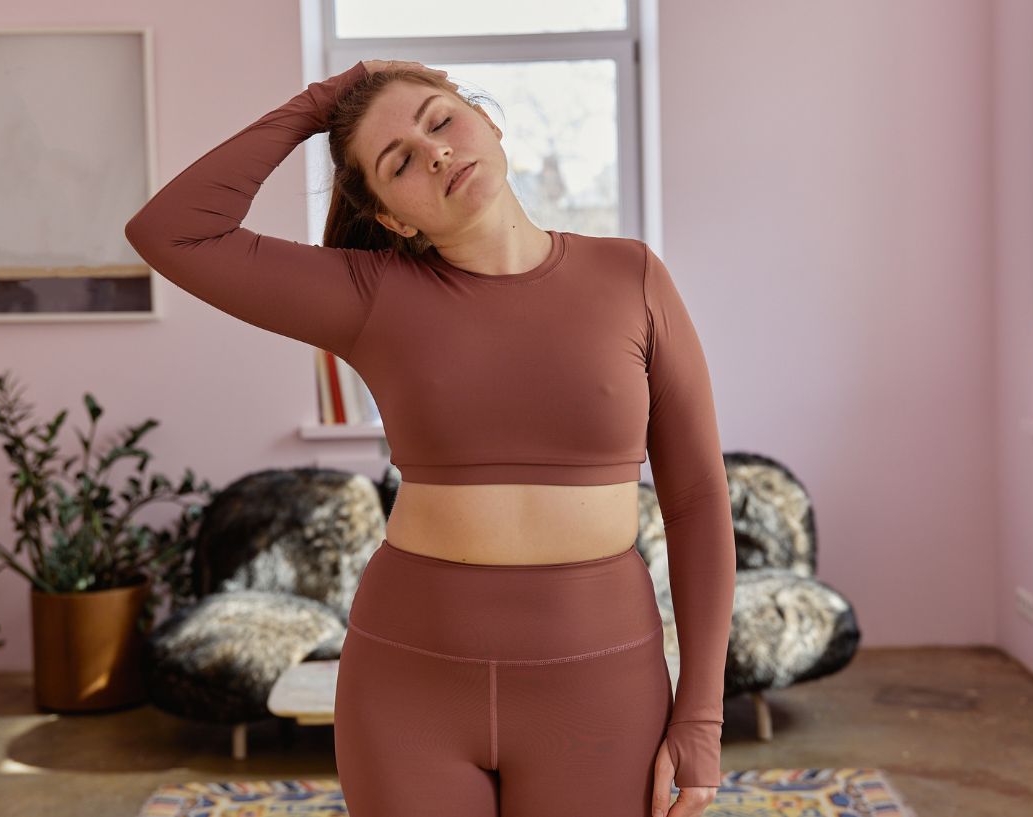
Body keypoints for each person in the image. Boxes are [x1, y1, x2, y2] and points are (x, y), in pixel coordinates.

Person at [124, 58, 736, 817]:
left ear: (490, 124)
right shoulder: (370, 293)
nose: (435, 151)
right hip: (410, 685)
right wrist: (319, 103)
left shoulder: (632, 275)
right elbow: (170, 232)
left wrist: (701, 716)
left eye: (440, 120)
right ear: (394, 219)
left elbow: (700, 499)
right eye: (399, 162)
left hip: (601, 681)